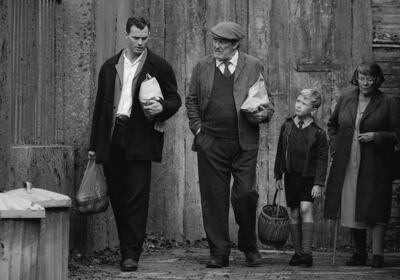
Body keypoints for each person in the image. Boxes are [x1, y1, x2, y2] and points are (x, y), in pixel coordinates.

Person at [88, 16, 181, 271]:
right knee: (118, 196)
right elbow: (99, 108)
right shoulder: (109, 67)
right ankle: (125, 247)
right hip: (113, 135)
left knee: (137, 198)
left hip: (140, 137)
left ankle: (131, 255)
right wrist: (94, 146)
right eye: (136, 37)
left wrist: (161, 107)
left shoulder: (159, 66)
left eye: (145, 38)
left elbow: (175, 99)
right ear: (126, 35)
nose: (140, 42)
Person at [185, 21, 274, 268]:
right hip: (211, 143)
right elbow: (191, 100)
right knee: (214, 199)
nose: (217, 45)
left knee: (245, 195)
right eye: (215, 40)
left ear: (235, 44)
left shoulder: (253, 65)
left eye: (223, 41)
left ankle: (248, 246)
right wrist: (198, 130)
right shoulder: (202, 66)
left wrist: (263, 115)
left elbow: (268, 103)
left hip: (244, 143)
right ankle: (219, 252)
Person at [324, 62, 400, 268]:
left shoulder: (387, 102)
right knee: (352, 206)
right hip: (349, 162)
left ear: (377, 79)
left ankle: (377, 255)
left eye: (369, 78)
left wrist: (376, 136)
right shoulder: (346, 98)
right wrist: (335, 148)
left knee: (375, 206)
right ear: (356, 78)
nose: (365, 82)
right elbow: (332, 125)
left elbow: (396, 134)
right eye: (361, 77)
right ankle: (359, 254)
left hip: (376, 163)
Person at [274, 89, 328, 267]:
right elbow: (280, 152)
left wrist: (319, 183)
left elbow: (322, 159)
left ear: (313, 110)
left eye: (304, 103)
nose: (298, 105)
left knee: (305, 209)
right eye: (298, 101)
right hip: (291, 177)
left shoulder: (318, 132)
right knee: (294, 212)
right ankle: (297, 253)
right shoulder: (287, 126)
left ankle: (307, 253)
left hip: (309, 178)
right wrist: (278, 175)